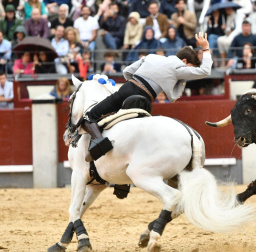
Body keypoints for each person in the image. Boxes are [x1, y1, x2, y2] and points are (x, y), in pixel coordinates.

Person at [82, 32, 212, 161]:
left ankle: (99, 143)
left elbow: (127, 71)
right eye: (190, 68)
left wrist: (133, 85)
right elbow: (205, 71)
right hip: (145, 101)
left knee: (89, 117)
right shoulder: (179, 67)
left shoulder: (151, 56)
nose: (188, 74)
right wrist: (205, 48)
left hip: (127, 90)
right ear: (184, 61)